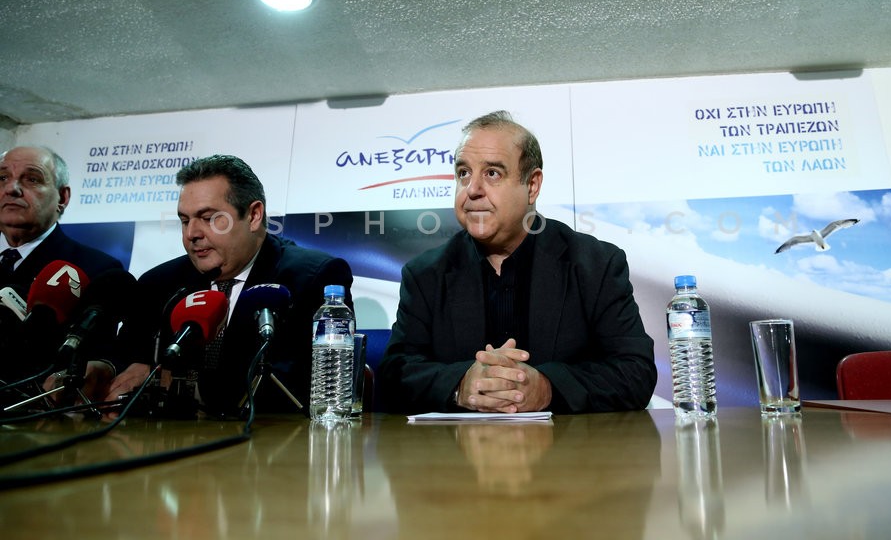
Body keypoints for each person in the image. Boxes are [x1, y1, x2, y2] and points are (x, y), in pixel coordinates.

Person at [378, 111, 657, 414]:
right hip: (460, 444)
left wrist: (548, 388)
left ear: (532, 185)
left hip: (566, 444)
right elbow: (394, 376)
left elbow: (635, 372)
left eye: (492, 173)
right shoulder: (425, 274)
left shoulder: (596, 265)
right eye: (463, 173)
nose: (472, 189)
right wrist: (460, 385)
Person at [108, 154, 353, 416]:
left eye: (209, 218)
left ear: (254, 215)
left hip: (270, 437)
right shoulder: (160, 283)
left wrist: (175, 383)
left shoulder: (311, 278)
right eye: (185, 220)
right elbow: (126, 360)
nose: (192, 233)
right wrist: (106, 369)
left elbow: (303, 384)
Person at [0, 145, 125, 390]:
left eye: (32, 179)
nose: (11, 188)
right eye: (3, 177)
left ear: (63, 198)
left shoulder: (97, 270)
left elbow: (97, 359)